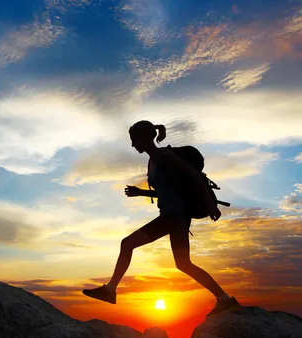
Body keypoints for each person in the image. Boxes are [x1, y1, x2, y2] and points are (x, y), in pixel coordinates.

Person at [83, 120, 240, 316]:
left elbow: (195, 176)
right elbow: (167, 191)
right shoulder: (152, 161)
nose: (133, 145)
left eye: (134, 140)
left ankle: (110, 290)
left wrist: (210, 204)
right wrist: (141, 193)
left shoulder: (164, 155)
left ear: (146, 137)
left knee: (127, 243)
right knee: (183, 264)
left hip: (174, 216)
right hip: (174, 216)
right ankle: (224, 299)